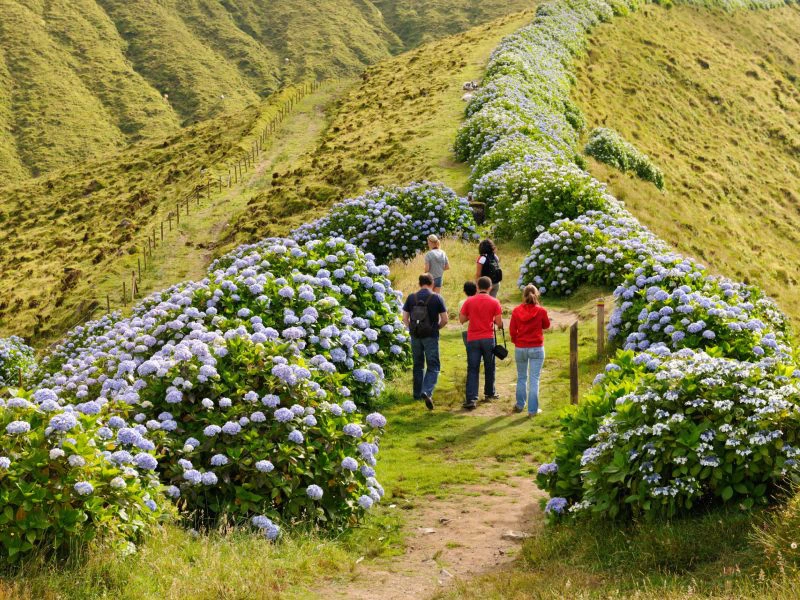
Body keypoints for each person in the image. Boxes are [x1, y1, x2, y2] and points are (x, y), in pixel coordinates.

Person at [402, 273, 448, 410]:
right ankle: (426, 391)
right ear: (432, 283)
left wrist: (412, 329)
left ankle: (416, 394)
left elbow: (405, 318)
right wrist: (436, 328)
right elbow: (445, 319)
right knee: (433, 366)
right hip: (431, 336)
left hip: (415, 336)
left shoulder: (411, 297)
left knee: (418, 365)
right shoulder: (436, 297)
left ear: (419, 283)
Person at [459, 276, 503, 410]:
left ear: (477, 287)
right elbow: (499, 323)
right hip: (488, 337)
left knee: (472, 368)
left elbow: (462, 319)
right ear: (490, 287)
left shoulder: (469, 301)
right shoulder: (495, 302)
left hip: (473, 338)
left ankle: (471, 398)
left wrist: (472, 316)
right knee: (490, 366)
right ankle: (490, 393)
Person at [510, 284, 550, 417]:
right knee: (534, 379)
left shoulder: (516, 311)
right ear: (536, 294)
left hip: (521, 347)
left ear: (524, 295)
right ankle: (533, 410)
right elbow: (546, 325)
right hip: (537, 347)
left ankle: (520, 404)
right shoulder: (541, 311)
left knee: (521, 377)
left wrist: (516, 341)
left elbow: (512, 330)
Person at [459, 281, 477, 347]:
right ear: (476, 290)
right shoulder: (479, 300)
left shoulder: (461, 303)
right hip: (478, 329)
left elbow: (461, 319)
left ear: (464, 291)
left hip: (466, 330)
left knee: (471, 353)